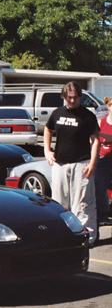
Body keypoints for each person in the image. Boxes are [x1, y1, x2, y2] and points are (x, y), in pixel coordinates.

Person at [44, 81, 100, 246]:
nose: (72, 100)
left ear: (80, 97)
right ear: (64, 97)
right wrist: (47, 150)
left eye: (75, 97)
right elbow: (48, 130)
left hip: (81, 163)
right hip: (60, 164)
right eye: (69, 97)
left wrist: (93, 163)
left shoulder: (87, 116)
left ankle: (86, 238)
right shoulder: (57, 113)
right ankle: (62, 237)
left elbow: (96, 140)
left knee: (83, 203)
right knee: (59, 202)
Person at [95, 96, 112, 229]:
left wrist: (100, 133)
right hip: (102, 159)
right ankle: (103, 216)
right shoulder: (101, 122)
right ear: (108, 107)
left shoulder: (99, 128)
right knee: (101, 187)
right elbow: (93, 140)